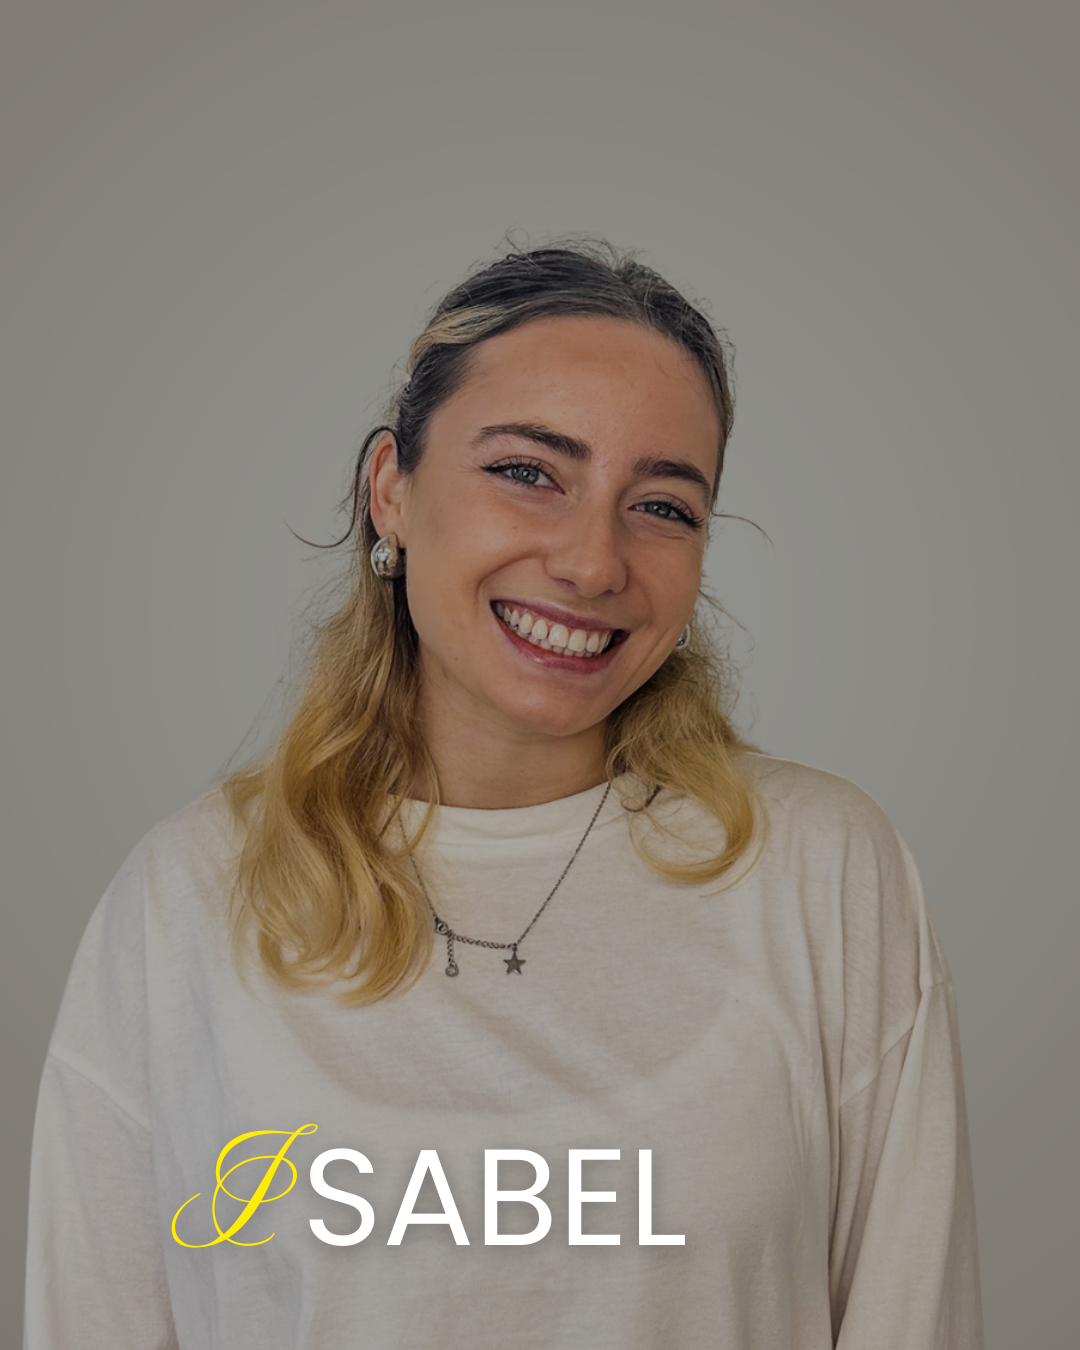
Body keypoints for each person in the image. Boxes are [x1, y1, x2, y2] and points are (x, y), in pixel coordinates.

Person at [24, 240, 983, 1348]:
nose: (591, 562)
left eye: (663, 505)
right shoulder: (191, 894)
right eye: (530, 472)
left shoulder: (820, 869)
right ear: (392, 488)